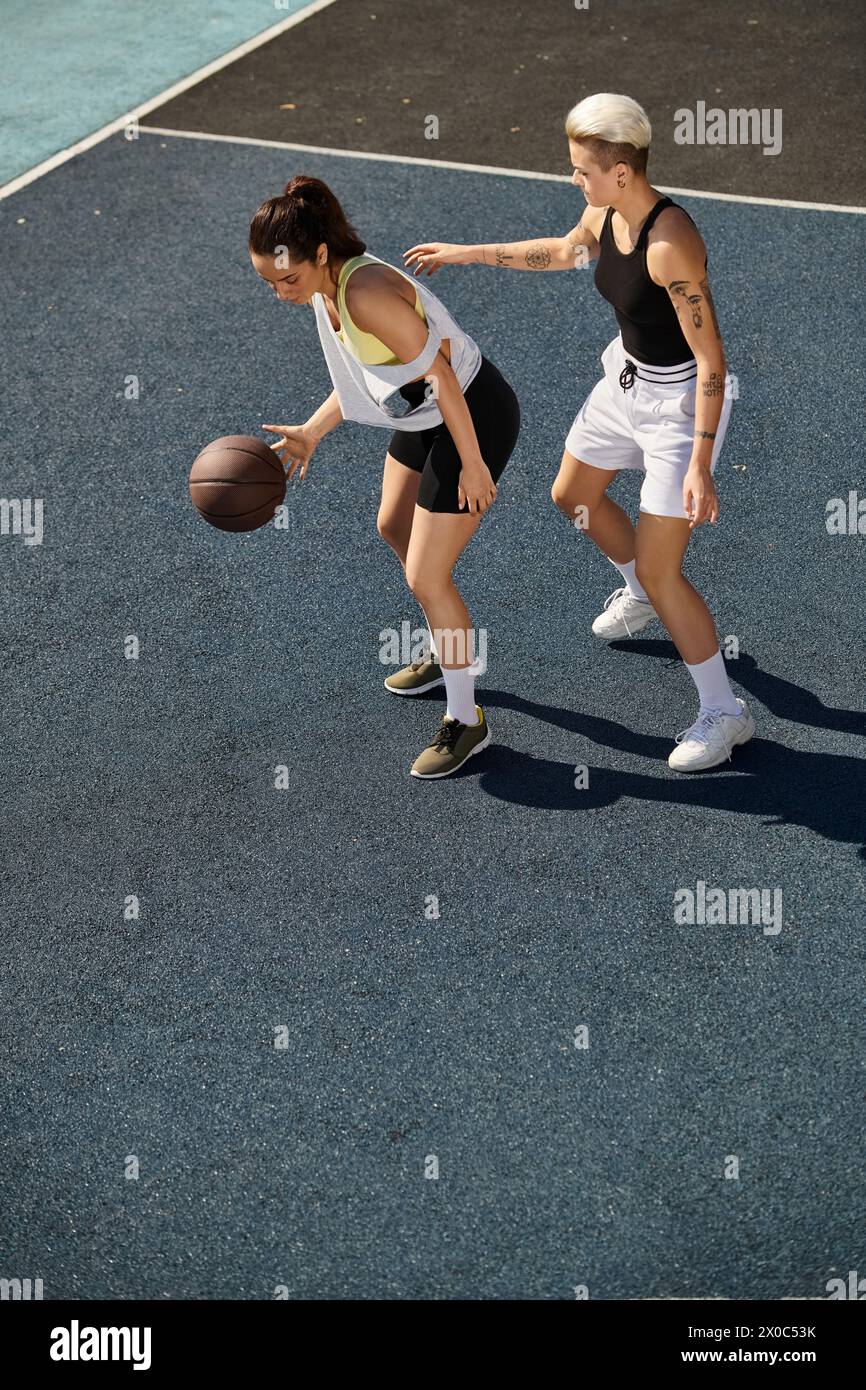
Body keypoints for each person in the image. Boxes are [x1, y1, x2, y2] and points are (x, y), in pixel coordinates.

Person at [404, 93, 755, 773]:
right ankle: (639, 592)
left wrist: (701, 464)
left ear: (621, 171)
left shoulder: (670, 242)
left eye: (582, 170)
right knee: (572, 495)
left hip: (680, 410)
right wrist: (470, 253)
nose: (575, 180)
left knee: (665, 568)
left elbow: (712, 360)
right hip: (625, 382)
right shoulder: (606, 209)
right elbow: (564, 252)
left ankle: (725, 709)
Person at [248, 175, 520, 778]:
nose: (282, 294)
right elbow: (368, 377)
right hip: (427, 411)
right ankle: (445, 651)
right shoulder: (326, 285)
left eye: (288, 280)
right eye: (268, 282)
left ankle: (466, 717)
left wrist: (473, 465)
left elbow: (445, 377)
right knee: (392, 524)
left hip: (471, 412)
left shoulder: (365, 293)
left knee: (428, 574)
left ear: (320, 255)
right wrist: (312, 431)